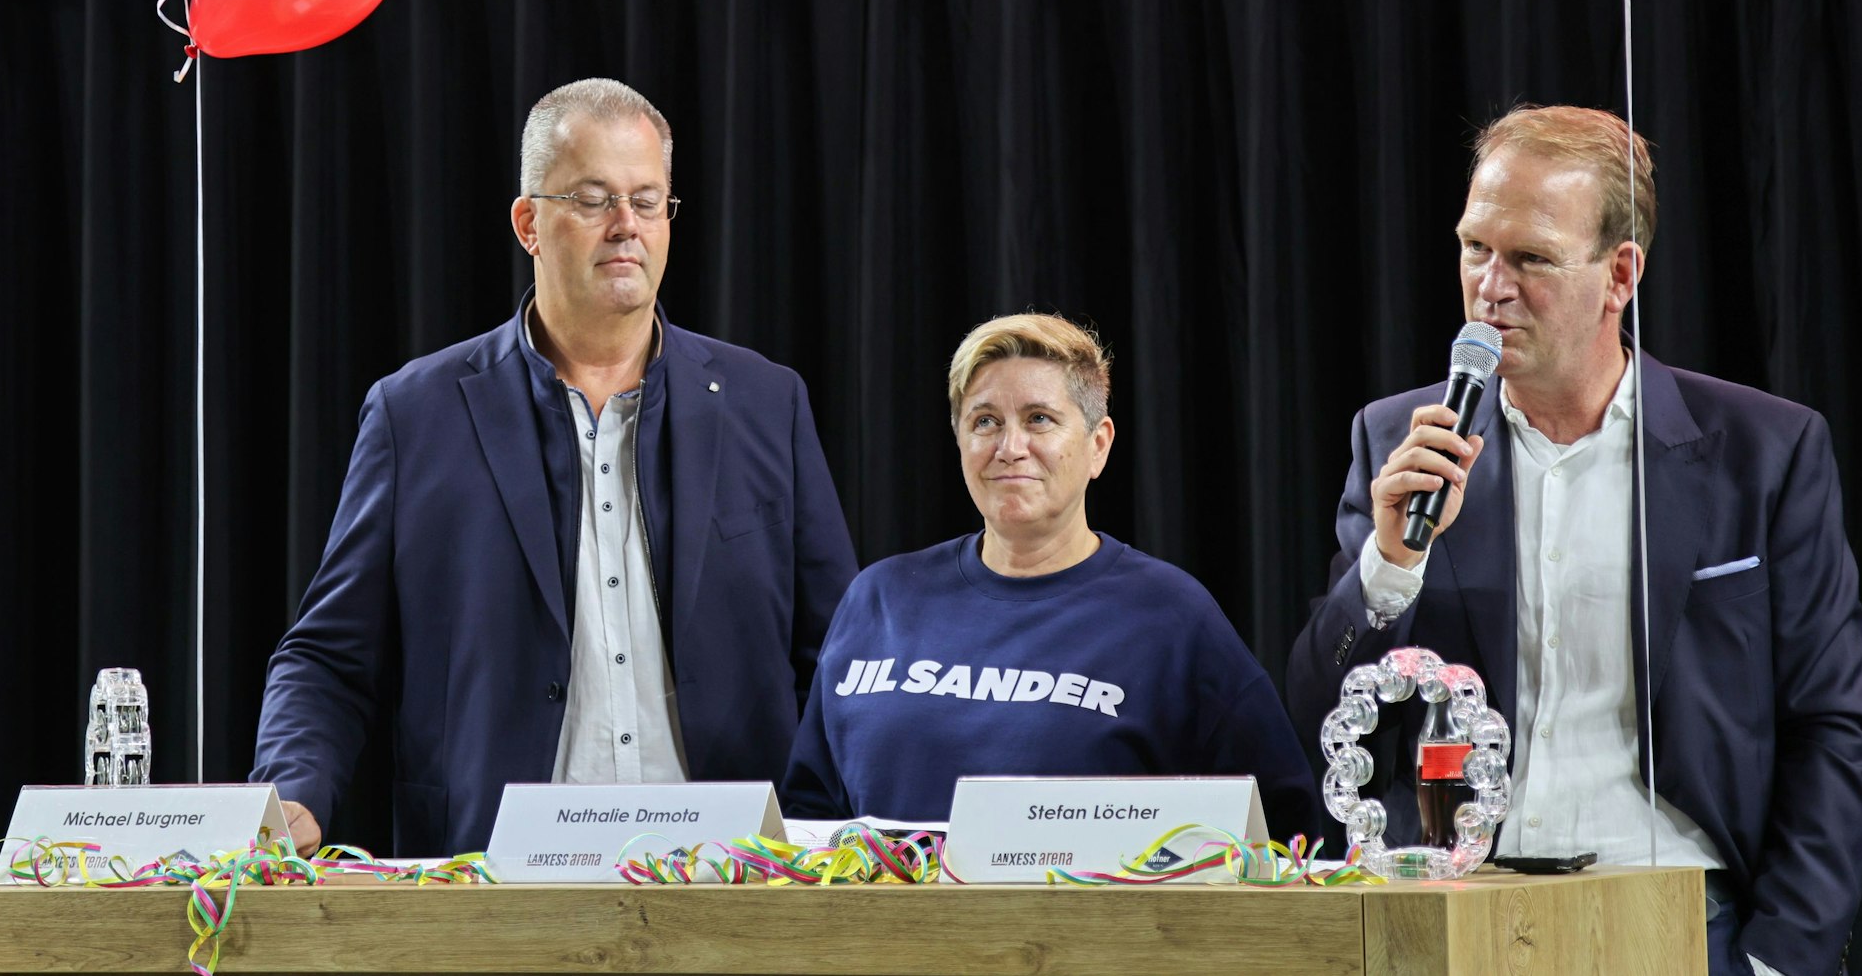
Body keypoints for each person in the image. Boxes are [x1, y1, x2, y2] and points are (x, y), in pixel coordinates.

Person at [1285, 105, 1862, 975]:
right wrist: (1390, 563)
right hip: (1461, 922)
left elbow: (1832, 730)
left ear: (1621, 274)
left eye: (1530, 257)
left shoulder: (1765, 452)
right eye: (1474, 248)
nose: (1490, 285)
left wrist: (1779, 959)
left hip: (1680, 919)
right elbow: (1318, 718)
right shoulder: (1397, 441)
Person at [251, 78, 859, 856]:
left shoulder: (767, 403)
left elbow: (841, 660)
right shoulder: (417, 414)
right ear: (529, 222)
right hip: (498, 883)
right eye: (593, 198)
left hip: (733, 879)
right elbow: (329, 657)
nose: (625, 226)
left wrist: (831, 834)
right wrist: (295, 794)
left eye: (647, 201)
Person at [783, 313, 1319, 835]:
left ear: (1098, 445)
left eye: (1039, 419)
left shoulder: (1172, 617)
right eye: (985, 421)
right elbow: (808, 817)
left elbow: (1279, 830)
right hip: (877, 928)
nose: (1010, 448)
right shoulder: (879, 598)